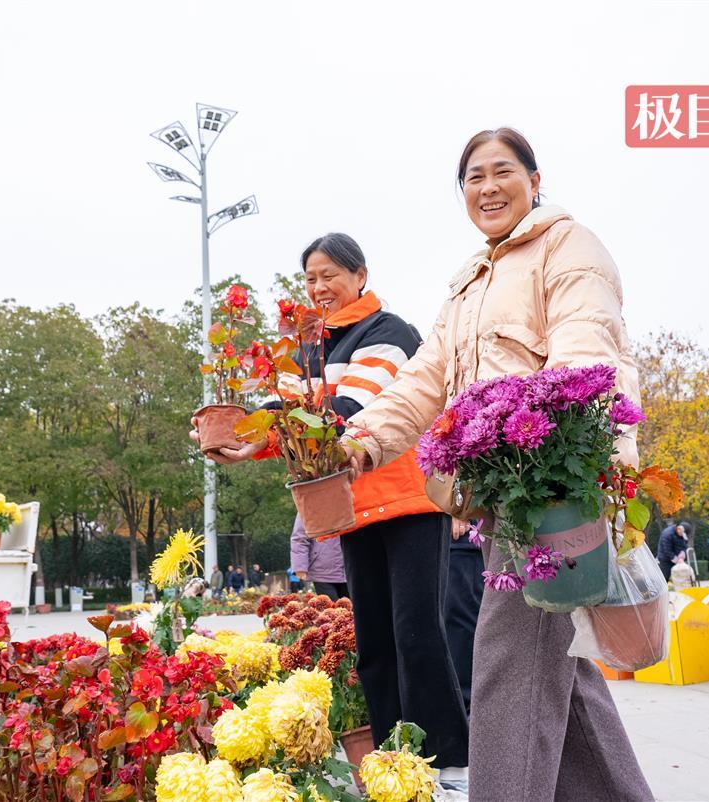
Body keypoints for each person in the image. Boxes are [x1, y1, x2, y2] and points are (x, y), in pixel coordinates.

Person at [340, 128, 651, 800]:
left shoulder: (569, 246)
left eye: (502, 171)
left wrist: (550, 441)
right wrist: (351, 444)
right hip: (505, 497)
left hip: (556, 489)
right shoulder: (469, 285)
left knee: (507, 667)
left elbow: (584, 345)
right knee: (562, 677)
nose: (487, 187)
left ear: (535, 181)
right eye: (473, 177)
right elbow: (422, 384)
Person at [193, 233, 469, 792]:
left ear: (360, 275)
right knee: (374, 643)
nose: (319, 288)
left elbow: (350, 408)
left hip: (409, 503)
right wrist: (245, 435)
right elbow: (288, 412)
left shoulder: (389, 332)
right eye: (310, 279)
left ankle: (450, 765)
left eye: (330, 275)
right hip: (352, 508)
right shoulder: (307, 349)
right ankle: (396, 768)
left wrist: (270, 428)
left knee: (417, 635)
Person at [446, 518, 485, 715]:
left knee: (462, 630)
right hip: (455, 539)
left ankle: (472, 720)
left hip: (461, 536)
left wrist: (457, 508)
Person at [289, 514, 348, 600]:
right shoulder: (310, 502)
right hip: (322, 571)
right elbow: (300, 538)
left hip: (351, 567)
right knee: (330, 610)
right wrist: (300, 567)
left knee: (354, 610)